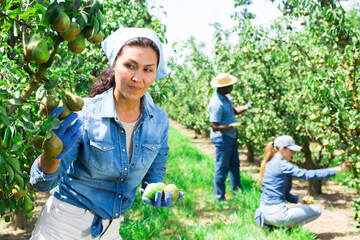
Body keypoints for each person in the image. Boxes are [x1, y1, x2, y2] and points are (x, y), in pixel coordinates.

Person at [29, 28, 184, 240]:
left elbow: (154, 174)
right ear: (114, 64)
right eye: (130, 66)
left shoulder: (159, 121)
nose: (138, 78)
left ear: (156, 72)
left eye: (148, 69)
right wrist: (52, 153)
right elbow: (41, 184)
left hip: (110, 230)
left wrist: (155, 191)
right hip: (63, 226)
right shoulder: (85, 114)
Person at [256, 135, 351, 229]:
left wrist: (298, 200)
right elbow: (307, 175)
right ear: (281, 149)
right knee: (317, 210)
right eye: (291, 150)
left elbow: (280, 193)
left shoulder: (269, 163)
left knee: (290, 208)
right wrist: (336, 169)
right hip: (277, 215)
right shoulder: (283, 165)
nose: (293, 154)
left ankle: (273, 227)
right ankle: (285, 229)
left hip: (264, 214)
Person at [208, 73, 253, 201]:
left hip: (231, 136)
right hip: (222, 138)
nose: (232, 87)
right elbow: (214, 126)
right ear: (223, 87)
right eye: (230, 85)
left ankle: (237, 191)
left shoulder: (226, 97)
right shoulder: (216, 103)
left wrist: (246, 107)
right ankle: (219, 196)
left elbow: (233, 111)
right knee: (222, 166)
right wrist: (232, 125)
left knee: (234, 165)